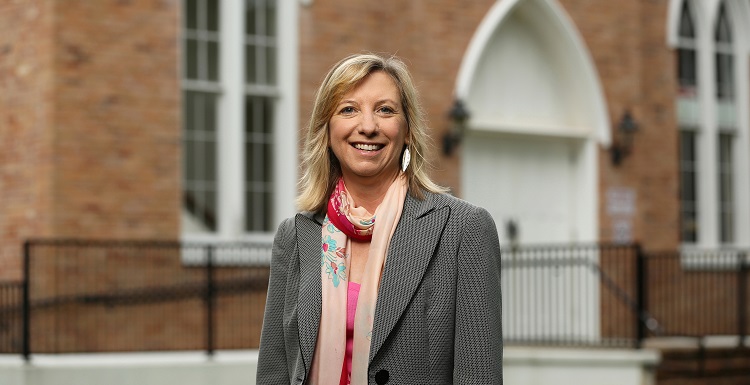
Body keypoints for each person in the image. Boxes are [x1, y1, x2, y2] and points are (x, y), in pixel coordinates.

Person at [256, 53, 503, 385]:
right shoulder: (295, 235)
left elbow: (479, 377)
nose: (368, 126)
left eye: (385, 110)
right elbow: (274, 372)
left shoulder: (463, 230)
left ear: (408, 130)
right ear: (327, 131)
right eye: (348, 109)